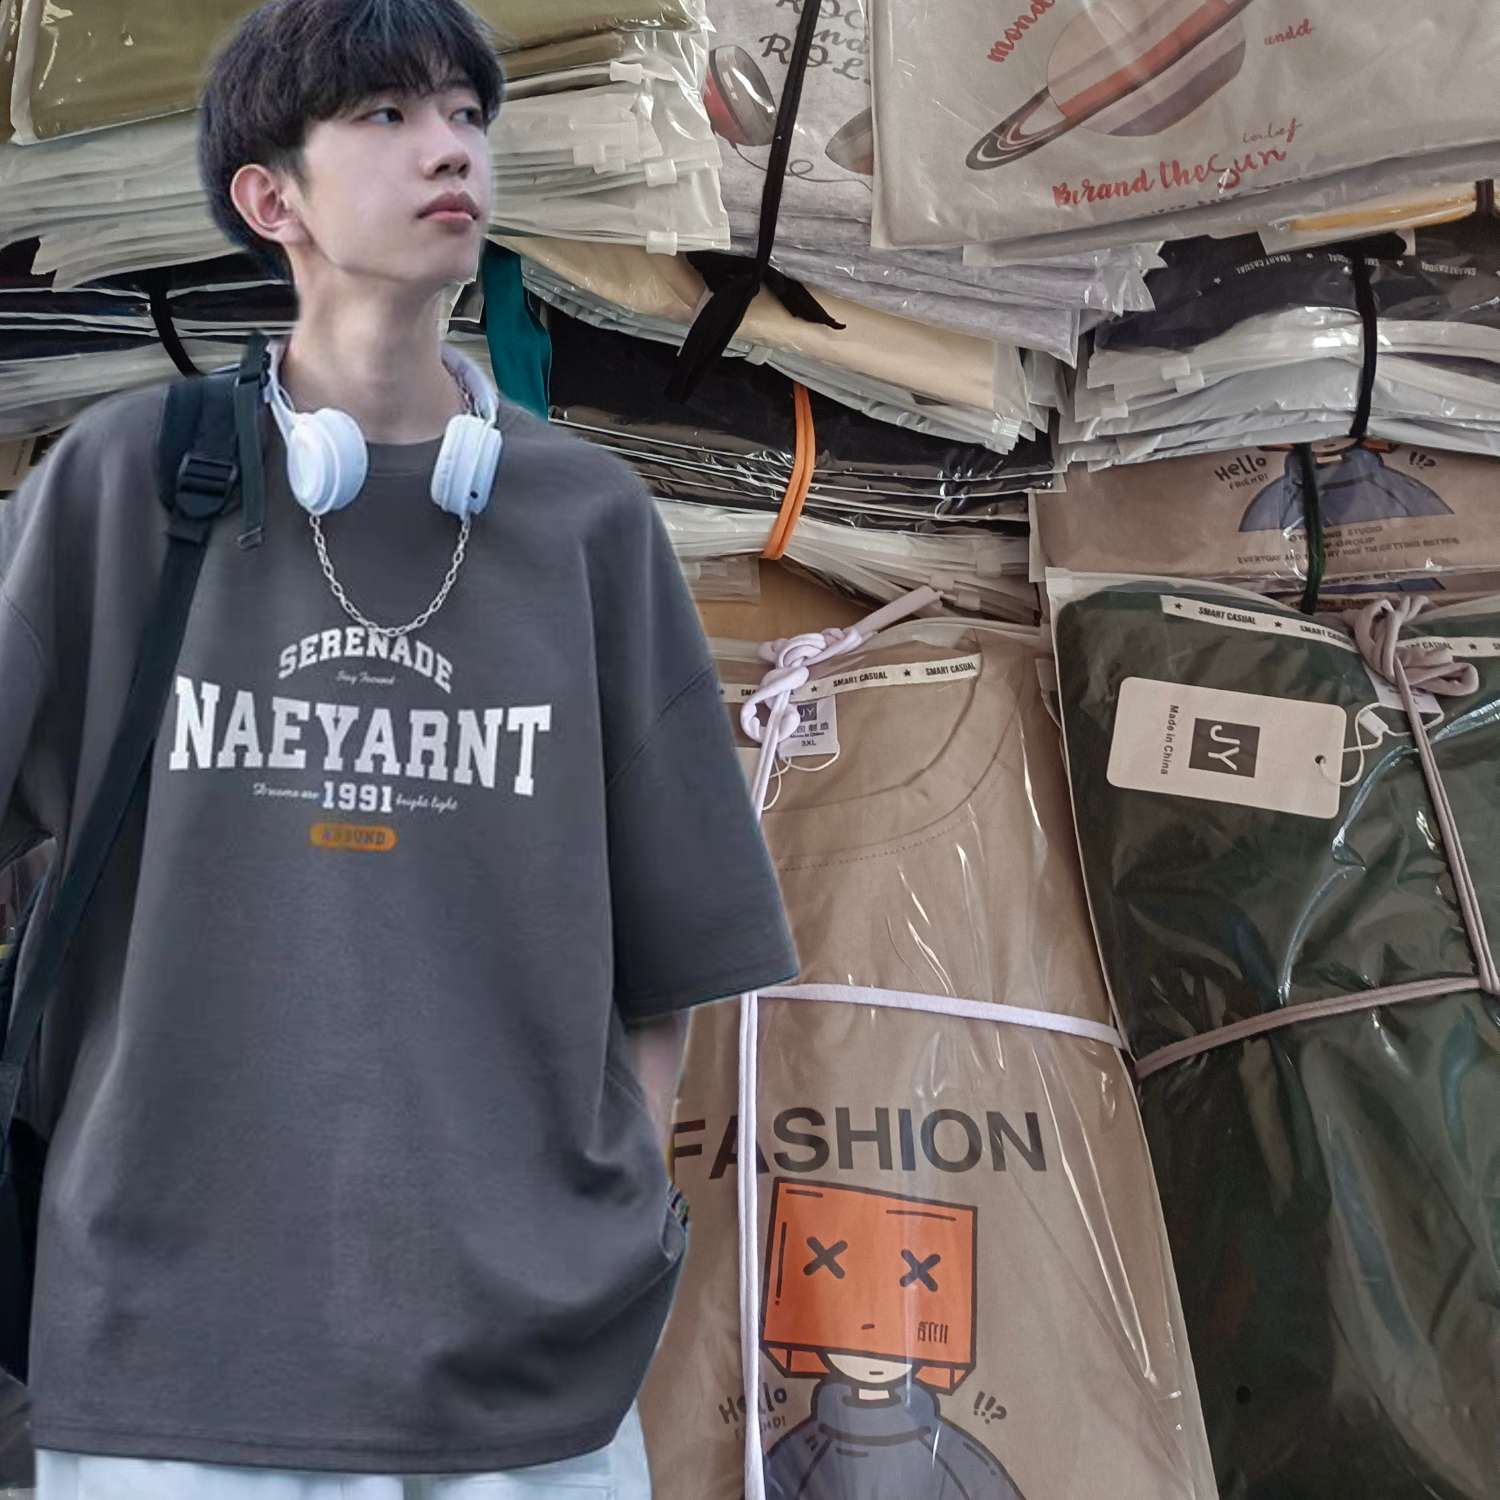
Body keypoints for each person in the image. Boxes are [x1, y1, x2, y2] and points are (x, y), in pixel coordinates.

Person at [0, 1, 800, 1496]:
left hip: (523, 1379)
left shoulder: (589, 524)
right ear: (271, 199)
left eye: (467, 115)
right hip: (173, 1355)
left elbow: (673, 950)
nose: (449, 148)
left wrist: (600, 1218)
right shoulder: (124, 482)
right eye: (385, 115)